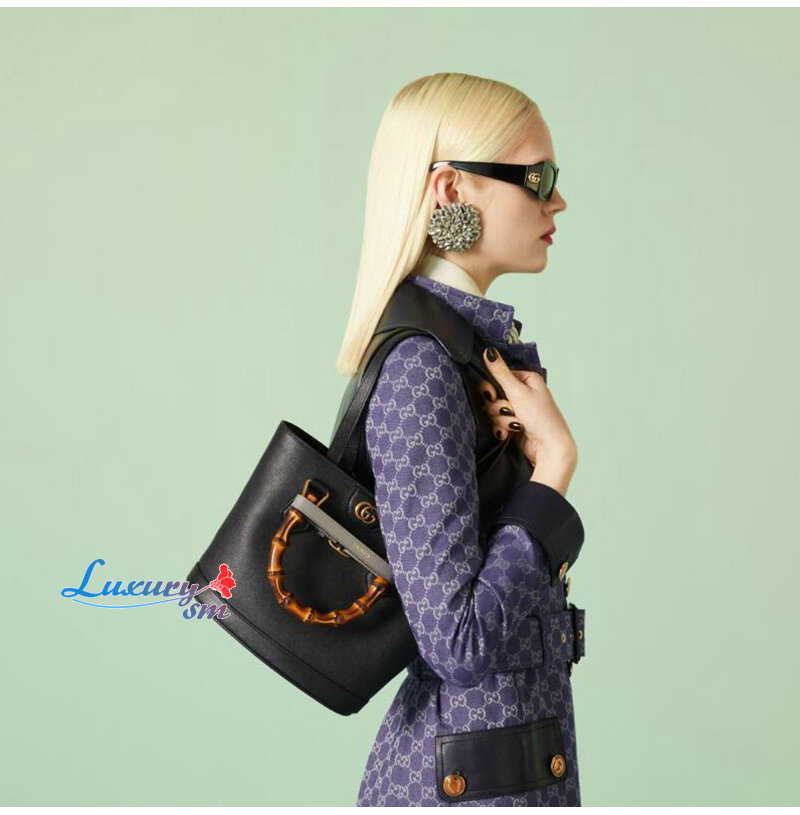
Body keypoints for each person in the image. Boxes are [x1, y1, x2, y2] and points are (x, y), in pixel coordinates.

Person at [336, 72, 585, 807]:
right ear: (450, 190)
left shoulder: (466, 353)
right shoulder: (423, 367)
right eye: (537, 178)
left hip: (495, 768)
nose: (558, 201)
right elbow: (458, 642)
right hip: (463, 784)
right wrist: (553, 469)